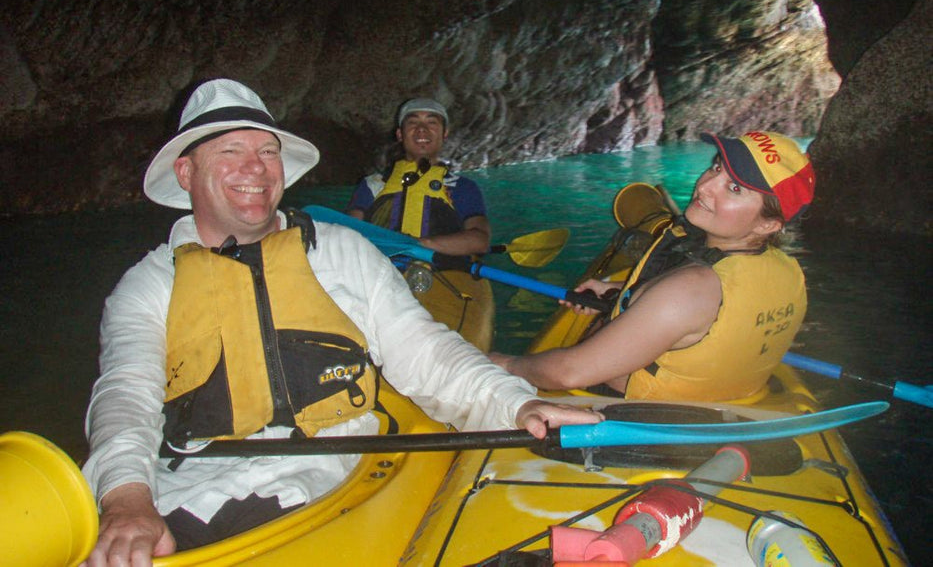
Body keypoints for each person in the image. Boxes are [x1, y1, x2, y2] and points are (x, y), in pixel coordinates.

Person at [81, 79, 601, 566]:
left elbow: (424, 352)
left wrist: (518, 403)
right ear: (186, 173)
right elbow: (126, 395)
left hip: (330, 472)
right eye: (230, 152)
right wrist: (126, 497)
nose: (257, 168)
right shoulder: (149, 285)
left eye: (267, 151)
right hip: (190, 480)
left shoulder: (343, 251)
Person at [491, 131, 815, 403]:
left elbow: (567, 373)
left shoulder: (691, 289)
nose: (705, 186)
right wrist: (622, 291)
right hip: (734, 406)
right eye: (716, 168)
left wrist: (504, 363)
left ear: (768, 225)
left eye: (734, 189)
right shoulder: (788, 270)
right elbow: (722, 314)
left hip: (629, 413)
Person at [347, 98, 490, 256]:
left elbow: (479, 240)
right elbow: (349, 234)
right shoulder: (372, 184)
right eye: (413, 122)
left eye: (432, 122)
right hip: (383, 269)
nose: (422, 129)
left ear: (445, 133)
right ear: (400, 134)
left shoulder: (462, 187)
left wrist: (418, 243)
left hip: (439, 271)